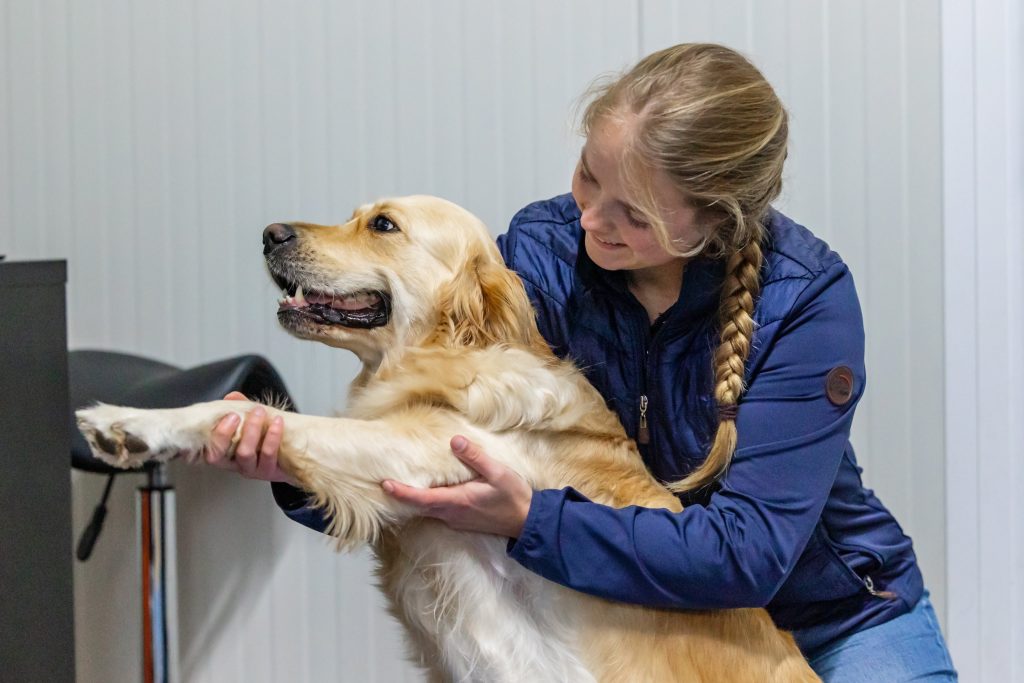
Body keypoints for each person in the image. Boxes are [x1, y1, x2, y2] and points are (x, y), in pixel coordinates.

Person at [203, 43, 957, 682]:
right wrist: (296, 463)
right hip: (631, 610)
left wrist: (535, 519)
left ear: (717, 220)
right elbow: (434, 428)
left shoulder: (806, 301)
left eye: (635, 214)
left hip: (834, 614)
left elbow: (745, 553)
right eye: (590, 177)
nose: (592, 220)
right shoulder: (543, 252)